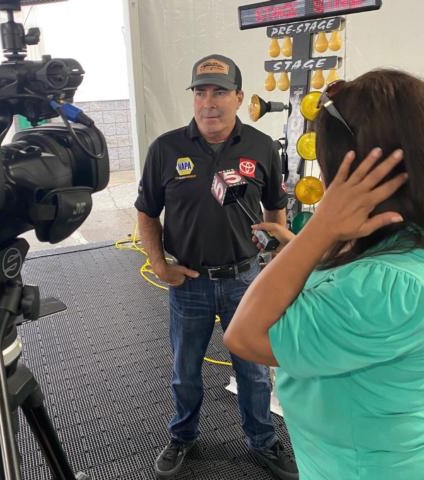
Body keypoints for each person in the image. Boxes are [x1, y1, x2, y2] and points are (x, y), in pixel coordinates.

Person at [224, 69, 424, 480]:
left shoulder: (383, 289)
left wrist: (318, 230)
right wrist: (307, 245)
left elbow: (244, 335)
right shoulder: (401, 244)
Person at [135, 54, 298, 479]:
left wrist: (275, 265)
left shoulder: (263, 147)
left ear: (240, 97)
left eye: (220, 92)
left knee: (255, 372)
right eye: (201, 92)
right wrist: (160, 266)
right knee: (184, 371)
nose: (209, 102)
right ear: (193, 97)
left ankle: (263, 441)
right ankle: (183, 437)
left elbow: (277, 212)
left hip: (246, 280)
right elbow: (146, 214)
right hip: (188, 282)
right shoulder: (166, 149)